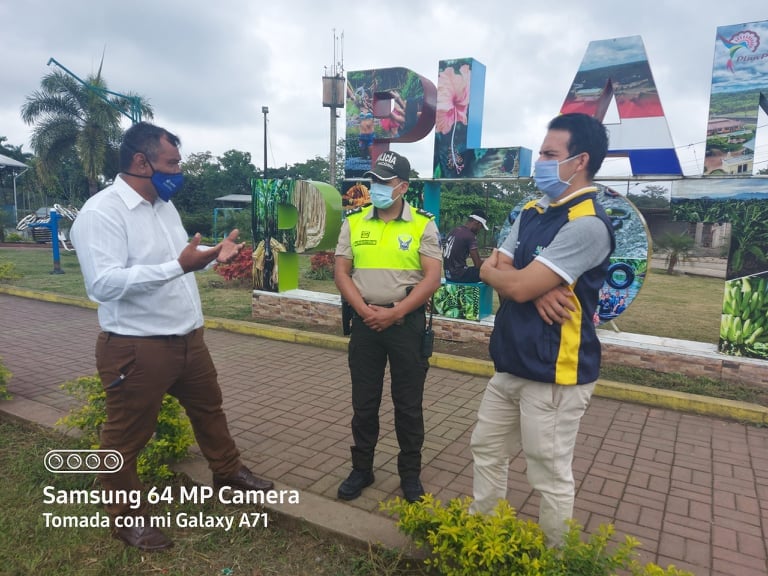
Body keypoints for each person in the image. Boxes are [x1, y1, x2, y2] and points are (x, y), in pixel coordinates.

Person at [70, 122, 274, 552]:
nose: (179, 172)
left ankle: (228, 474)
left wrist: (210, 257)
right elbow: (103, 284)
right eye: (173, 163)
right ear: (141, 161)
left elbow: (178, 260)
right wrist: (179, 267)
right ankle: (126, 518)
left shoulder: (164, 206)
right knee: (124, 437)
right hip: (137, 347)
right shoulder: (101, 212)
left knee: (209, 410)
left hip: (187, 340)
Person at [469, 113, 615, 547]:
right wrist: (530, 289)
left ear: (580, 160)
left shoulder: (587, 223)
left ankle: (554, 559)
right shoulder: (533, 211)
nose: (541, 163)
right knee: (486, 450)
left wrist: (517, 282)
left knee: (547, 474)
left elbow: (508, 278)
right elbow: (491, 268)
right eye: (542, 153)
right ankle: (483, 535)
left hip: (554, 373)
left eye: (550, 154)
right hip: (511, 361)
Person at [334, 150, 442, 503]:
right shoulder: (354, 222)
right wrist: (363, 310)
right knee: (364, 403)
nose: (376, 187)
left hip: (406, 324)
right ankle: (361, 469)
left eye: (385, 181)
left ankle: (410, 474)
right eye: (374, 180)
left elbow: (432, 278)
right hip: (365, 323)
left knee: (408, 405)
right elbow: (341, 272)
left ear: (403, 187)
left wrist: (396, 313)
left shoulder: (422, 224)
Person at [442, 210, 489, 283]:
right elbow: (477, 264)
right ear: (477, 223)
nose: (480, 230)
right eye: (481, 227)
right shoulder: (470, 235)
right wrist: (489, 261)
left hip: (448, 275)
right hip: (459, 275)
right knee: (490, 271)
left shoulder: (454, 231)